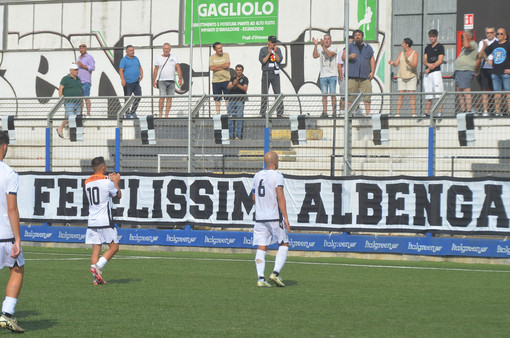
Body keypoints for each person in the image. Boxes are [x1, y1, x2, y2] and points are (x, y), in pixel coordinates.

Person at [252, 151, 291, 287]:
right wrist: (285, 217)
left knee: (262, 246)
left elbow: (254, 197)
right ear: (275, 161)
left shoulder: (257, 176)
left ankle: (261, 279)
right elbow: (280, 196)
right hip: (274, 216)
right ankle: (275, 273)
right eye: (278, 159)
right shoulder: (277, 176)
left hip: (260, 217)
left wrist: (261, 208)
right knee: (284, 243)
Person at [0, 131, 25, 333]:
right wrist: (18, 239)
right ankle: (6, 315)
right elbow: (12, 209)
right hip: (5, 235)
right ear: (5, 147)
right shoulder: (9, 173)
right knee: (17, 270)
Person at [85, 156, 122, 285]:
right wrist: (115, 182)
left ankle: (96, 279)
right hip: (105, 220)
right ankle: (98, 268)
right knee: (114, 247)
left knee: (96, 248)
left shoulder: (87, 182)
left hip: (92, 220)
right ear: (103, 167)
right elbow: (118, 195)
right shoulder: (107, 182)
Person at [342, 29, 375, 115]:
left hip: (365, 77)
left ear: (362, 36)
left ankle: (368, 115)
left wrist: (373, 71)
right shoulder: (349, 46)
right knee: (350, 97)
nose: (357, 36)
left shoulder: (368, 47)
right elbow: (343, 57)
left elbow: (372, 59)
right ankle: (349, 115)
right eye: (355, 35)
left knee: (367, 97)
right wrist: (350, 56)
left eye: (359, 35)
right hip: (352, 76)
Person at [483, 28, 510, 117]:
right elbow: (484, 53)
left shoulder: (508, 44)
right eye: (497, 34)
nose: (499, 35)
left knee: (508, 92)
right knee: (497, 92)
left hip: (506, 73)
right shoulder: (494, 45)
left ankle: (509, 111)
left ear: (505, 35)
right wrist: (489, 61)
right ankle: (498, 111)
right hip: (495, 72)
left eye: (501, 34)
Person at [388, 38, 418, 117]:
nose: (401, 45)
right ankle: (398, 113)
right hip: (401, 76)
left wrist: (408, 62)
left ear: (406, 44)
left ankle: (413, 114)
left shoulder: (414, 53)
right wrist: (392, 63)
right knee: (400, 95)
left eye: (403, 43)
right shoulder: (401, 53)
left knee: (411, 95)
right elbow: (396, 64)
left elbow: (415, 65)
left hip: (411, 76)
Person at [153, 43, 183, 117]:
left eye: (168, 49)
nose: (166, 50)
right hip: (162, 81)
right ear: (163, 49)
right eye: (165, 48)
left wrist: (180, 78)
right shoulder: (159, 58)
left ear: (170, 49)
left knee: (169, 98)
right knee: (162, 97)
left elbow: (178, 67)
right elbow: (156, 69)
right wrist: (154, 80)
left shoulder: (174, 57)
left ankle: (166, 115)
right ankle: (160, 114)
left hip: (171, 81)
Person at [259, 35, 284, 117]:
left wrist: (275, 52)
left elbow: (279, 60)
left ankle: (279, 112)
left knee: (277, 93)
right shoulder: (263, 50)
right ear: (269, 42)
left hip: (275, 74)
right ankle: (263, 112)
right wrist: (269, 53)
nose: (273, 44)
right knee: (264, 93)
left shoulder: (278, 50)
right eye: (272, 42)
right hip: (266, 73)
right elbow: (263, 61)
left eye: (275, 42)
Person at [313, 33, 338, 117]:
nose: (326, 40)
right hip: (323, 76)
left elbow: (330, 55)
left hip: (332, 75)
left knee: (332, 94)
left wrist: (323, 46)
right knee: (324, 95)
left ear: (330, 41)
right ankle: (325, 112)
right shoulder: (320, 48)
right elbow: (315, 56)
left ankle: (334, 112)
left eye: (328, 39)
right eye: (325, 39)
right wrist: (316, 46)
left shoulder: (334, 48)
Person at [454, 30, 477, 113]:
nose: (463, 38)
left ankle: (469, 109)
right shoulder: (464, 47)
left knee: (466, 90)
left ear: (470, 36)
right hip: (459, 70)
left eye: (466, 36)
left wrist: (464, 35)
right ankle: (463, 109)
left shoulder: (473, 44)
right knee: (459, 90)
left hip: (466, 70)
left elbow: (467, 45)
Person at [422, 29, 445, 117]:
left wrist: (432, 66)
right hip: (428, 74)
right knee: (428, 94)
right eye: (430, 37)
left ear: (436, 37)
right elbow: (424, 60)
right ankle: (426, 113)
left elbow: (440, 60)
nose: (432, 38)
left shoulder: (440, 47)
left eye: (433, 37)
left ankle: (439, 112)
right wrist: (428, 65)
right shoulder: (427, 48)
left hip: (436, 72)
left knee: (438, 93)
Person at [57, 64, 83, 138]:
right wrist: (61, 98)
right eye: (75, 70)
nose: (77, 71)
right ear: (71, 70)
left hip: (78, 102)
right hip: (69, 102)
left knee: (77, 118)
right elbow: (61, 88)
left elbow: (80, 90)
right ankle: (64, 130)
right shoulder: (65, 79)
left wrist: (81, 100)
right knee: (70, 117)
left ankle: (76, 135)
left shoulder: (78, 79)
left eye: (77, 70)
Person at [476, 27, 498, 116]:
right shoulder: (482, 42)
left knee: (494, 90)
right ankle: (485, 110)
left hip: (496, 68)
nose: (489, 34)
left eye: (491, 32)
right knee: (485, 89)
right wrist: (484, 47)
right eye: (487, 33)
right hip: (485, 68)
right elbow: (479, 56)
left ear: (494, 33)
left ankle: (493, 109)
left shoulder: (497, 41)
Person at [119, 45, 143, 118]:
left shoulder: (136, 58)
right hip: (127, 83)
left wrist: (142, 75)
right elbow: (121, 70)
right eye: (130, 50)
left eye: (133, 50)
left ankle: (133, 111)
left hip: (136, 82)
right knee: (127, 98)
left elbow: (140, 67)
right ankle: (127, 113)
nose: (132, 52)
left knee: (138, 96)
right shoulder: (124, 60)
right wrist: (123, 80)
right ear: (126, 52)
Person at [227, 64, 249, 140]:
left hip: (240, 100)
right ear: (235, 70)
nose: (239, 72)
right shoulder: (232, 78)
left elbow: (245, 88)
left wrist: (238, 84)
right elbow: (228, 87)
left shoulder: (245, 78)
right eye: (237, 70)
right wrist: (233, 84)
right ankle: (231, 136)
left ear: (242, 71)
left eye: (240, 70)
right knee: (230, 118)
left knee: (239, 118)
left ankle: (238, 136)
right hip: (232, 100)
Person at [209, 42, 231, 114]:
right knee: (217, 99)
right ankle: (218, 113)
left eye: (221, 47)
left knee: (227, 98)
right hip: (216, 81)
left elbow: (227, 65)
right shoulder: (212, 57)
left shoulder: (226, 55)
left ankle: (229, 113)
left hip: (226, 80)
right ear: (215, 49)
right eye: (218, 48)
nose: (220, 49)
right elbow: (211, 67)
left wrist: (217, 67)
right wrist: (222, 66)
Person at [76, 43, 95, 115]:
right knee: (80, 99)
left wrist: (82, 65)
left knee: (86, 97)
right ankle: (80, 113)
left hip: (85, 81)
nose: (81, 48)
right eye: (80, 47)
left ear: (86, 48)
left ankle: (88, 113)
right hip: (78, 81)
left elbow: (92, 67)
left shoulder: (89, 57)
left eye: (83, 47)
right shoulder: (79, 58)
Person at [337, 35, 354, 114]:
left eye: (352, 42)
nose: (350, 44)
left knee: (352, 95)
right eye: (349, 42)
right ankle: (341, 110)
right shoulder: (342, 52)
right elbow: (339, 66)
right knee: (343, 96)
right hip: (344, 76)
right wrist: (341, 78)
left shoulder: (355, 52)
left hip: (352, 77)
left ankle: (351, 111)